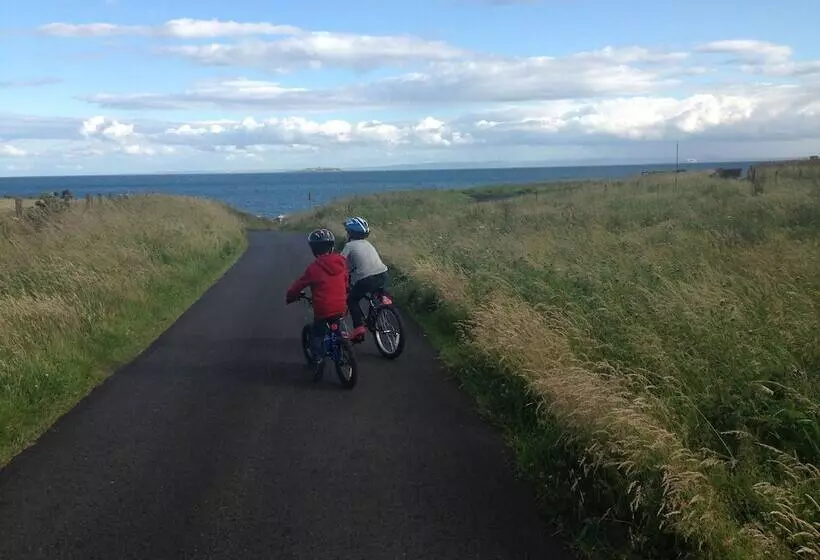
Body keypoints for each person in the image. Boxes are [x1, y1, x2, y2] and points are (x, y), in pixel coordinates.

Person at [285, 228, 349, 380]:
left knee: (317, 334)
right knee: (337, 327)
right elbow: (346, 281)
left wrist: (290, 296)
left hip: (323, 310)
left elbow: (298, 286)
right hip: (341, 305)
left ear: (314, 249)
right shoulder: (341, 261)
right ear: (332, 246)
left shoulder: (314, 268)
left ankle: (318, 359)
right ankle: (342, 346)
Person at [341, 216, 389, 341]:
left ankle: (358, 328)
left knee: (352, 300)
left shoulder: (349, 246)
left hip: (366, 279)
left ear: (350, 233)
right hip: (383, 274)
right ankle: (382, 296)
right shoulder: (368, 244)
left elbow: (340, 263)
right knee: (375, 287)